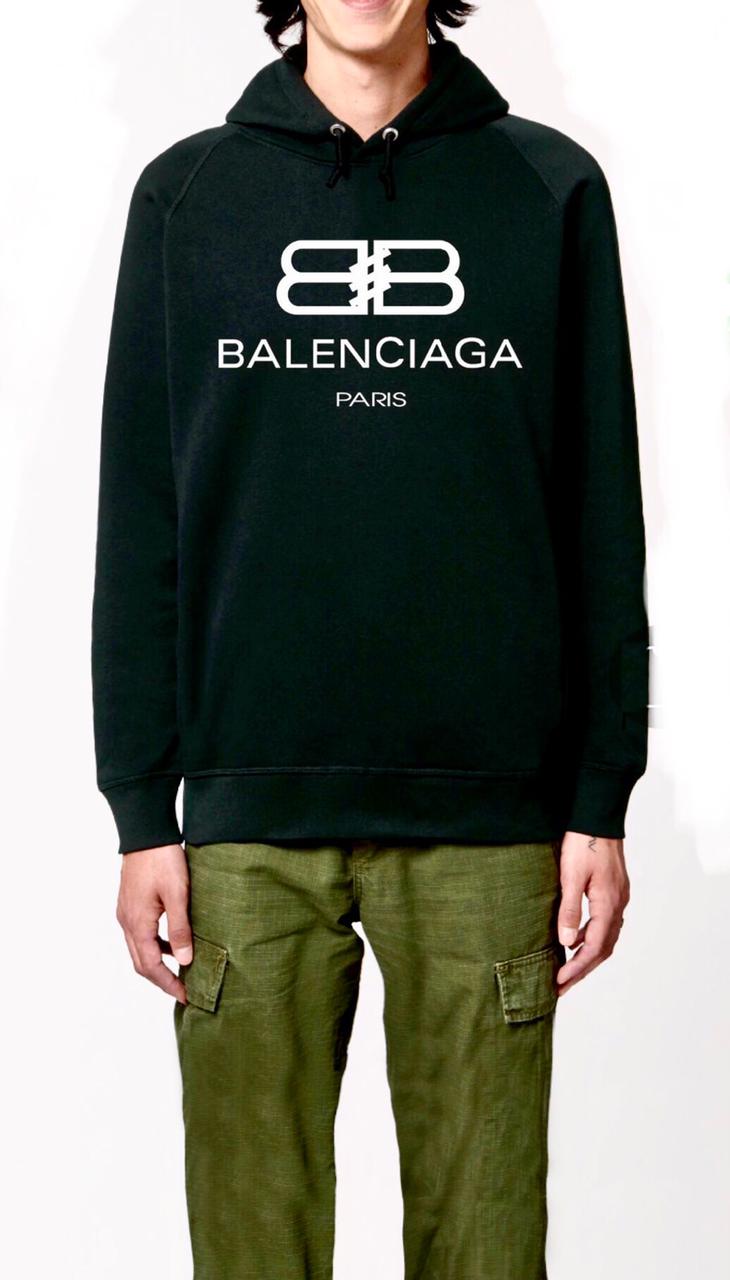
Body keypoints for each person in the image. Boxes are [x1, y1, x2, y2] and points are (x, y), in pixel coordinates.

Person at [91, 0, 649, 1275]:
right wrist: (139, 806)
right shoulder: (187, 198)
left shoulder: (547, 190)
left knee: (484, 1251)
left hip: (488, 819)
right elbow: (141, 515)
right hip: (244, 820)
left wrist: (598, 794)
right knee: (252, 1253)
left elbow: (599, 509)